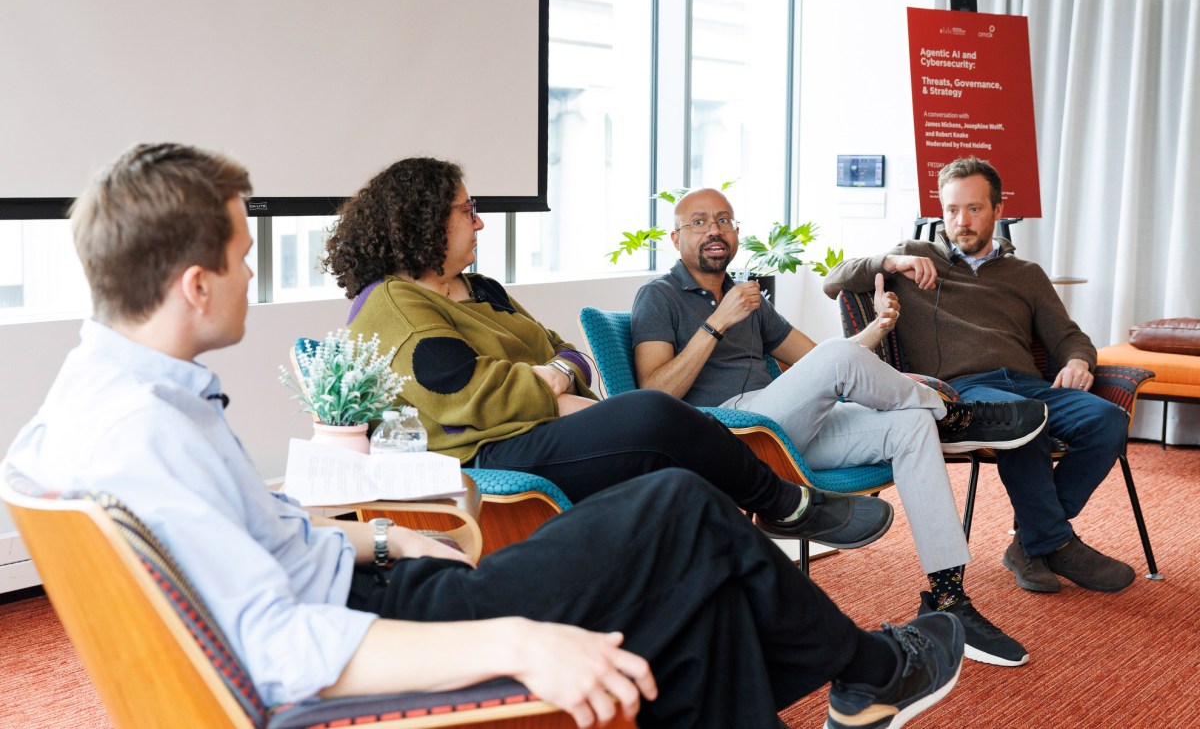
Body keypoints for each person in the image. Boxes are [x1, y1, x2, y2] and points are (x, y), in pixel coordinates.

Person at [2, 143, 967, 729]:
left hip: (384, 579)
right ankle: (870, 672)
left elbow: (248, 540)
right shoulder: (146, 433)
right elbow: (279, 648)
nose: (255, 272)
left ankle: (862, 683)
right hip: (385, 631)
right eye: (244, 254)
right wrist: (521, 640)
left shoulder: (106, 406)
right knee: (680, 509)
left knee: (691, 572)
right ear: (193, 285)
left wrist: (378, 535)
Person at [323, 156, 893, 551]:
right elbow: (476, 396)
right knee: (653, 415)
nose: (479, 221)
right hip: (485, 458)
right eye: (465, 210)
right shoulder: (394, 304)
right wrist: (556, 391)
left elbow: (566, 351)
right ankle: (787, 505)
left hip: (541, 433)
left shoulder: (482, 289)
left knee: (686, 492)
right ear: (424, 223)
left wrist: (555, 375)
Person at [630, 187, 1045, 669]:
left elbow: (818, 362)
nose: (715, 229)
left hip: (782, 429)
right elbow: (654, 395)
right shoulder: (658, 296)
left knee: (911, 424)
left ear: (737, 232)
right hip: (728, 435)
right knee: (895, 393)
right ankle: (950, 415)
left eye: (724, 220)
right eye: (699, 222)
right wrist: (717, 323)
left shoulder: (747, 296)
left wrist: (875, 332)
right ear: (676, 237)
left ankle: (949, 597)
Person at [823, 156, 1136, 595]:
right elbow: (833, 281)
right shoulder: (915, 259)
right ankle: (1056, 543)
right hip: (960, 390)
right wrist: (891, 261)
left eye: (973, 209)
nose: (961, 221)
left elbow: (1067, 336)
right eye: (951, 210)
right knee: (1021, 420)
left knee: (1108, 422)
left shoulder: (1026, 275)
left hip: (1028, 383)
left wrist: (1078, 362)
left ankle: (1031, 541)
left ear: (997, 210)